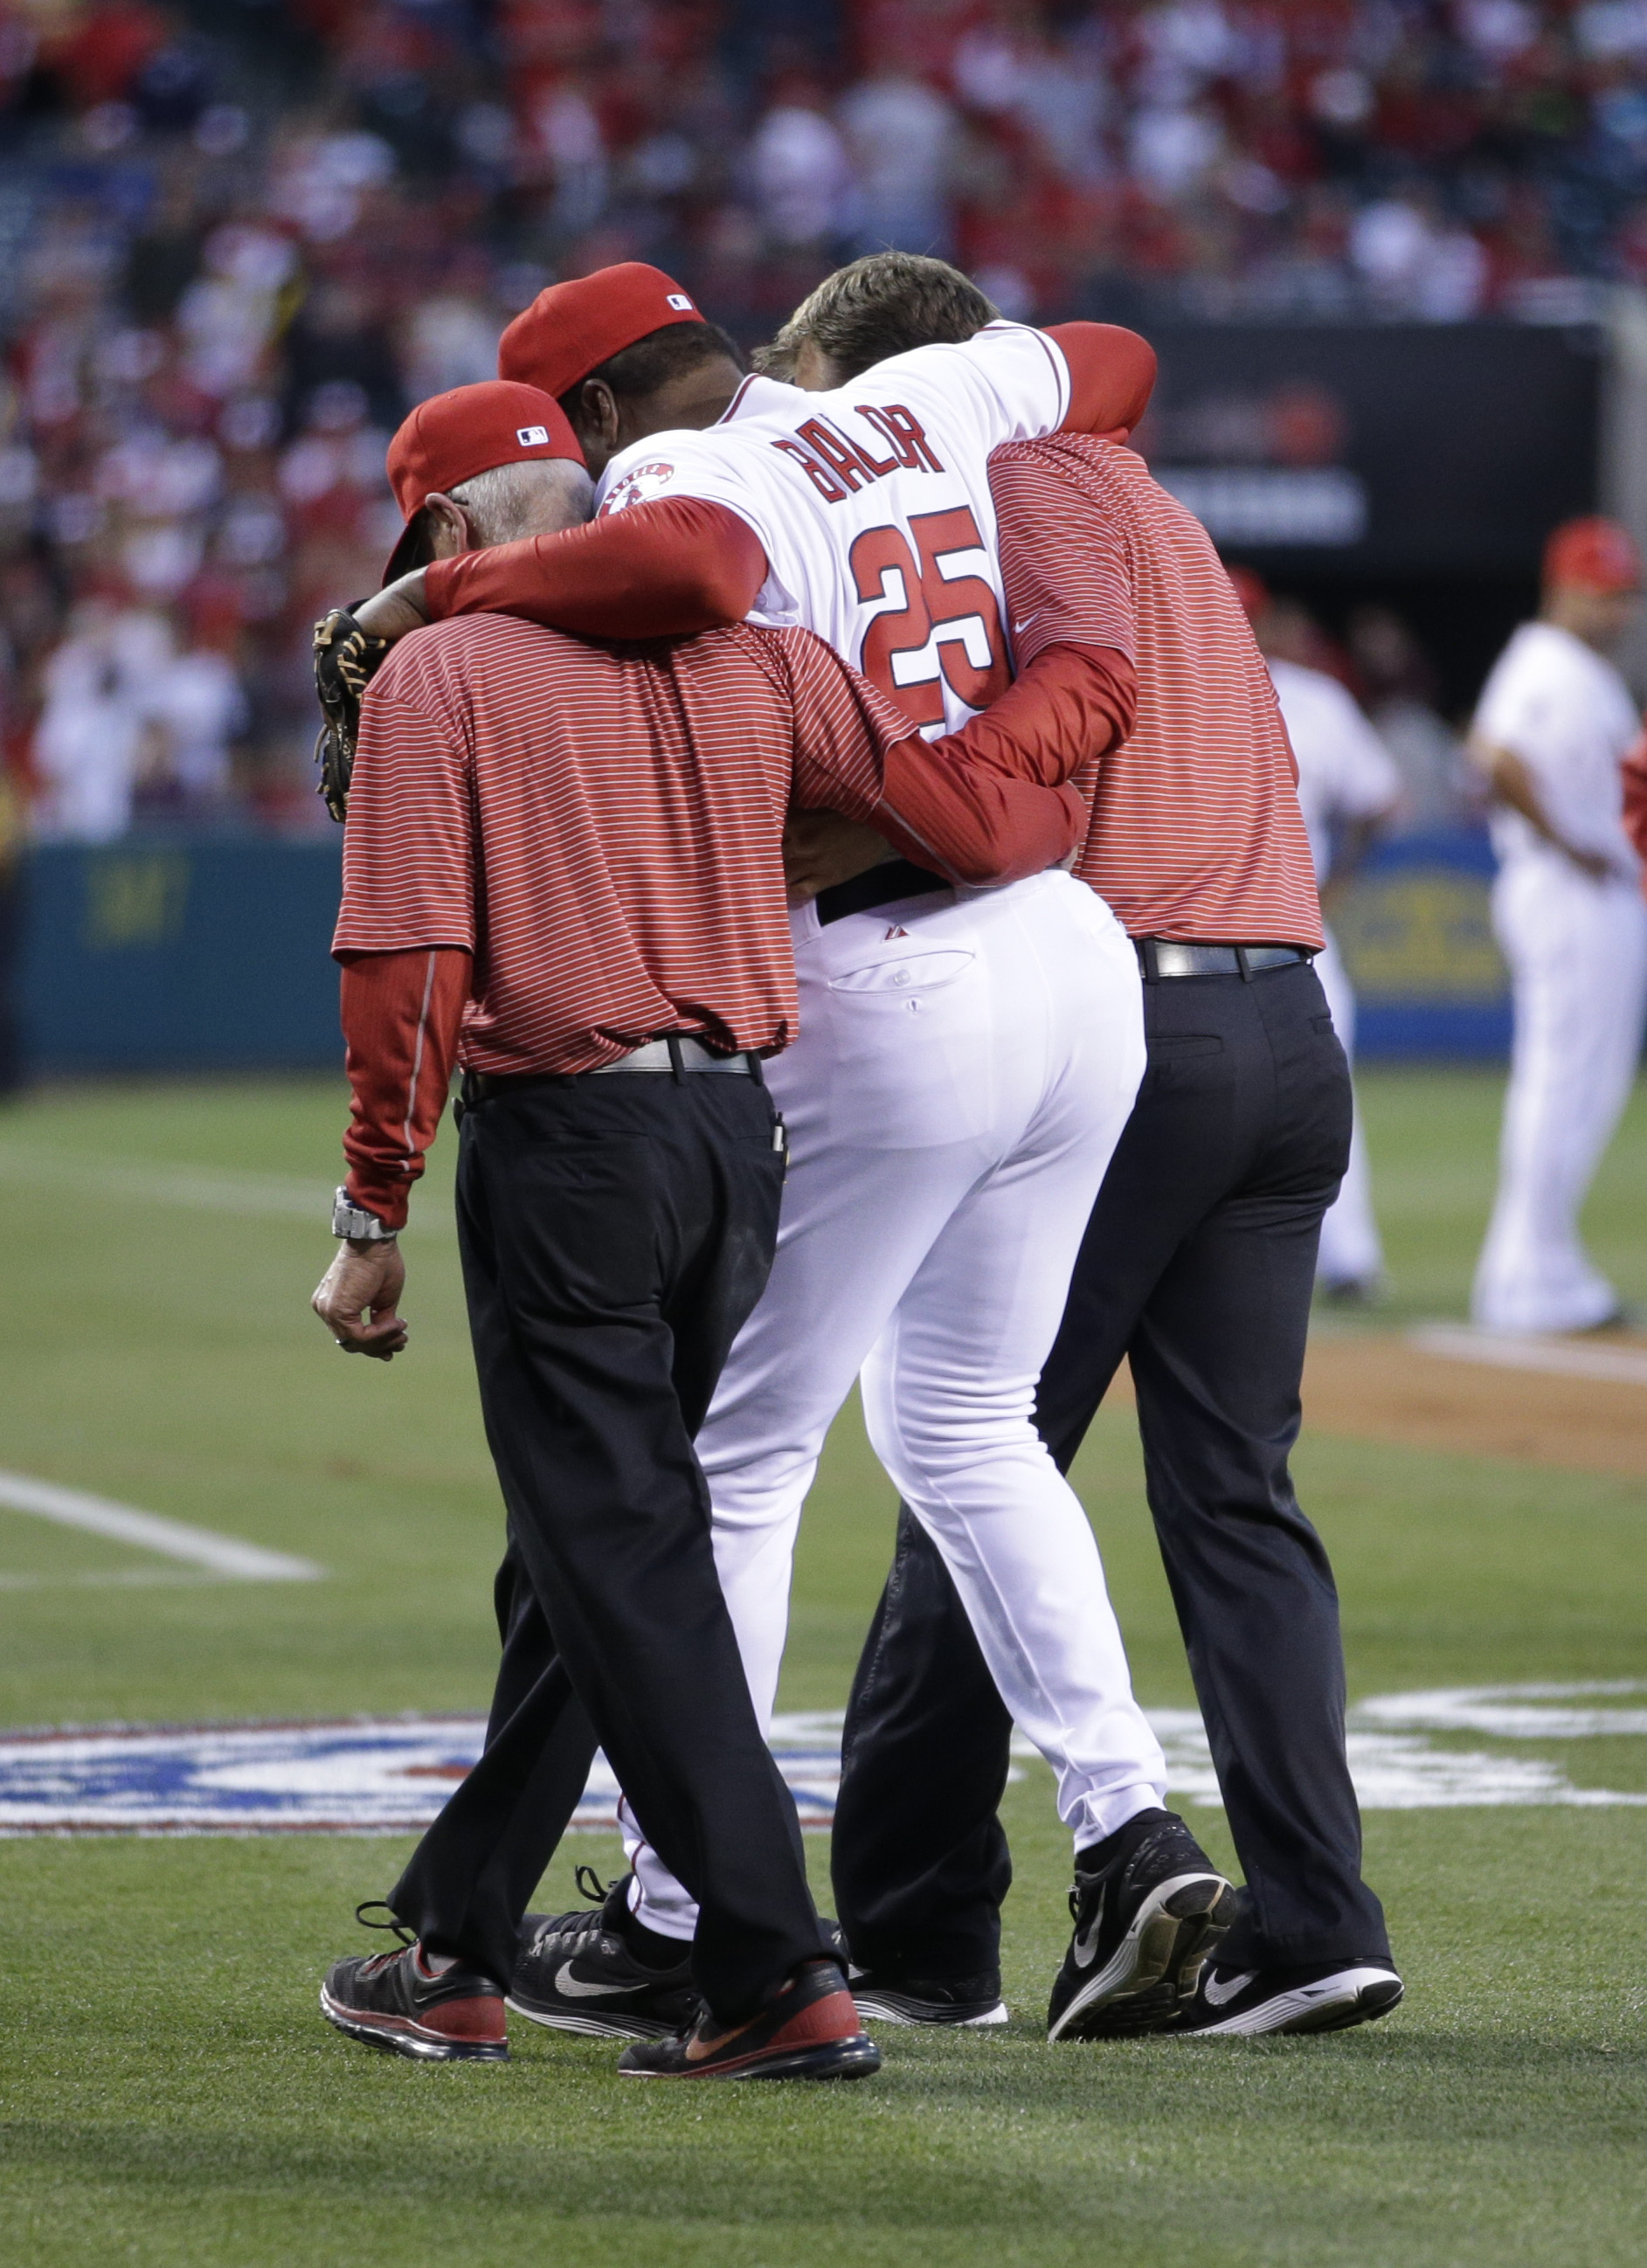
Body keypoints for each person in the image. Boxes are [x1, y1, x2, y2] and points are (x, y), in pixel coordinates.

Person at [341, 256, 1235, 2044]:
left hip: (872, 986)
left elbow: (684, 573)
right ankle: (1130, 1822)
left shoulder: (680, 488)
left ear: (600, 415)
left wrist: (449, 585)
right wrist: (959, 788)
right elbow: (1125, 360)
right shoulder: (923, 396)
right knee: (968, 1422)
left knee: (733, 1461)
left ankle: (689, 1917)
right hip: (1059, 940)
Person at [814, 329, 1400, 2040]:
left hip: (1127, 1019)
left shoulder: (1003, 485)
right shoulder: (1160, 505)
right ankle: (1314, 1922)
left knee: (967, 1447)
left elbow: (1035, 762)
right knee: (1238, 1502)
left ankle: (920, 1931)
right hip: (1284, 1012)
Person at [1468, 516, 1647, 1336]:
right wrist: (1567, 840)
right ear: (1559, 588)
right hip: (1568, 889)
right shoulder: (1545, 661)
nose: (1614, 608)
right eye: (1598, 592)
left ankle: (1539, 1268)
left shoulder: (1578, 669)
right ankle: (1525, 1279)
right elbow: (1493, 755)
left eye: (1622, 594)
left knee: (1586, 1086)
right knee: (1563, 1082)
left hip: (1592, 890)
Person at [1249, 584, 1402, 1303]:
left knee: (1326, 1088)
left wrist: (1335, 884)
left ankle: (1349, 1260)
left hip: (1296, 925)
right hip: (1189, 929)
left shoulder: (1313, 700)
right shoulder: (1159, 686)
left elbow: (1380, 799)